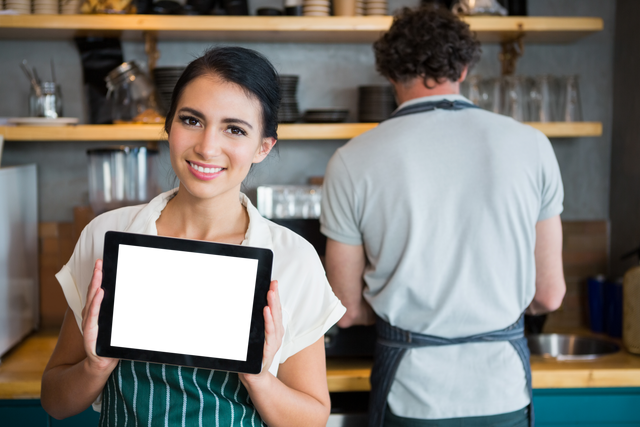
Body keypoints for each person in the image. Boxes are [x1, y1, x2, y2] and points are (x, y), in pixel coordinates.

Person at [41, 46, 346, 427]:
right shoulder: (106, 235)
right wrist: (95, 365)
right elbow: (55, 401)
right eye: (192, 120)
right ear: (168, 125)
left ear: (263, 147)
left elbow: (313, 418)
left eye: (234, 129)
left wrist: (258, 377)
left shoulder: (292, 258)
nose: (207, 147)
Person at [320, 5, 566, 427]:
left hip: (410, 394)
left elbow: (344, 308)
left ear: (390, 73)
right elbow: (548, 295)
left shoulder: (352, 159)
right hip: (500, 389)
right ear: (465, 67)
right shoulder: (532, 146)